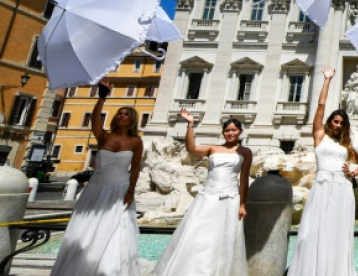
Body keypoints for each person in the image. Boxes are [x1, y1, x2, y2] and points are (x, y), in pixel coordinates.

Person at [51, 79, 142, 276]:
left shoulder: (136, 141)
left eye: (126, 114)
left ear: (132, 119)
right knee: (85, 230)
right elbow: (95, 120)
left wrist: (131, 192)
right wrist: (102, 96)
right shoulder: (104, 137)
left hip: (119, 189)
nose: (121, 115)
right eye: (119, 113)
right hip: (96, 188)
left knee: (115, 233)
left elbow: (135, 168)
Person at [289, 68, 358, 276]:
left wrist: (352, 173)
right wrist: (327, 80)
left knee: (337, 233)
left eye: (341, 123)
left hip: (342, 188)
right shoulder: (319, 136)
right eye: (335, 121)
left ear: (344, 126)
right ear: (330, 122)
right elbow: (321, 106)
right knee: (311, 231)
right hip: (322, 185)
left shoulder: (347, 145)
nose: (337, 125)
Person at [154, 113, 252, 276]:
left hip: (230, 198)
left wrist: (242, 204)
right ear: (223, 132)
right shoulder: (213, 148)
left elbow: (243, 180)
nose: (230, 133)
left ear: (240, 132)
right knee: (197, 232)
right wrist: (191, 124)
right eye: (227, 130)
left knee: (224, 237)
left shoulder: (245, 152)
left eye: (234, 130)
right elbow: (191, 149)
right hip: (208, 196)